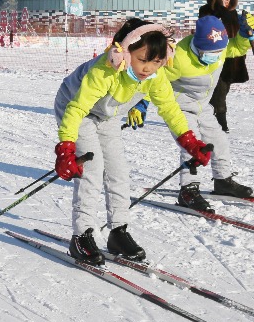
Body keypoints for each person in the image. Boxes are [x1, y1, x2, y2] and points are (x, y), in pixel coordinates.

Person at [54, 19, 210, 266]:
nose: (148, 68)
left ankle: (118, 232)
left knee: (118, 172)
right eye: (143, 59)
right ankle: (82, 235)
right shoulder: (105, 71)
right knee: (92, 172)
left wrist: (189, 142)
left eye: (156, 62)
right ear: (125, 51)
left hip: (107, 114)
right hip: (77, 111)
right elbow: (77, 109)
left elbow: (170, 108)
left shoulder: (154, 77)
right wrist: (66, 149)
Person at [133, 15, 254, 212]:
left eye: (218, 51)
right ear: (197, 46)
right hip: (179, 107)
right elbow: (154, 76)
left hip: (202, 105)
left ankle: (223, 180)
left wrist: (243, 36)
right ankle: (188, 189)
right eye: (209, 51)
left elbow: (236, 48)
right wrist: (141, 102)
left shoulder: (220, 49)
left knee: (220, 139)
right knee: (192, 143)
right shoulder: (178, 58)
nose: (215, 55)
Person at [203, 0, 247, 133]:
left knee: (223, 90)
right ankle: (221, 121)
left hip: (233, 58)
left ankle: (210, 109)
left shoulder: (234, 12)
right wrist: (221, 12)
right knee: (220, 92)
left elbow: (238, 34)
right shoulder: (207, 11)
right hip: (215, 58)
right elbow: (206, 29)